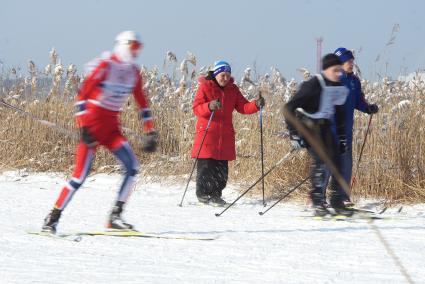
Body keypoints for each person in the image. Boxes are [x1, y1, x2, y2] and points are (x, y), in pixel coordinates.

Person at [42, 31, 158, 233]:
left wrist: (151, 132)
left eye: (138, 48)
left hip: (112, 129)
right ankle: (52, 219)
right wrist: (83, 126)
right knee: (79, 177)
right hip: (92, 128)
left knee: (132, 168)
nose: (135, 52)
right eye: (133, 47)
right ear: (123, 45)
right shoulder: (106, 66)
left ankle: (115, 216)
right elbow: (82, 97)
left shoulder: (133, 72)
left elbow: (142, 103)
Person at [284, 54, 353, 216]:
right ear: (326, 70)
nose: (338, 74)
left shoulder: (338, 86)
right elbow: (288, 108)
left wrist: (342, 138)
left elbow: (340, 113)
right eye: (335, 71)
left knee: (337, 162)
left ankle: (337, 201)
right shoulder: (313, 85)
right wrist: (294, 134)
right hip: (308, 126)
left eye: (340, 71)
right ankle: (317, 202)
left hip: (325, 127)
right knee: (322, 161)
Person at [192, 61, 265, 206]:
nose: (225, 78)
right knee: (206, 167)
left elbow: (243, 107)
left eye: (228, 75)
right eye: (222, 75)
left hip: (225, 136)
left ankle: (216, 195)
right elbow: (196, 108)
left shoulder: (233, 89)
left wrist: (256, 104)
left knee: (222, 171)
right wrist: (209, 106)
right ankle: (203, 194)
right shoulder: (205, 87)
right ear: (216, 74)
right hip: (208, 134)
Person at [327, 47, 379, 205]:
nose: (351, 63)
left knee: (346, 164)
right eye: (348, 61)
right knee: (327, 165)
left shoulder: (354, 81)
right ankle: (318, 199)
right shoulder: (332, 80)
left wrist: (368, 108)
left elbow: (359, 101)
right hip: (330, 130)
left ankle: (342, 197)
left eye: (352, 61)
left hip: (346, 131)